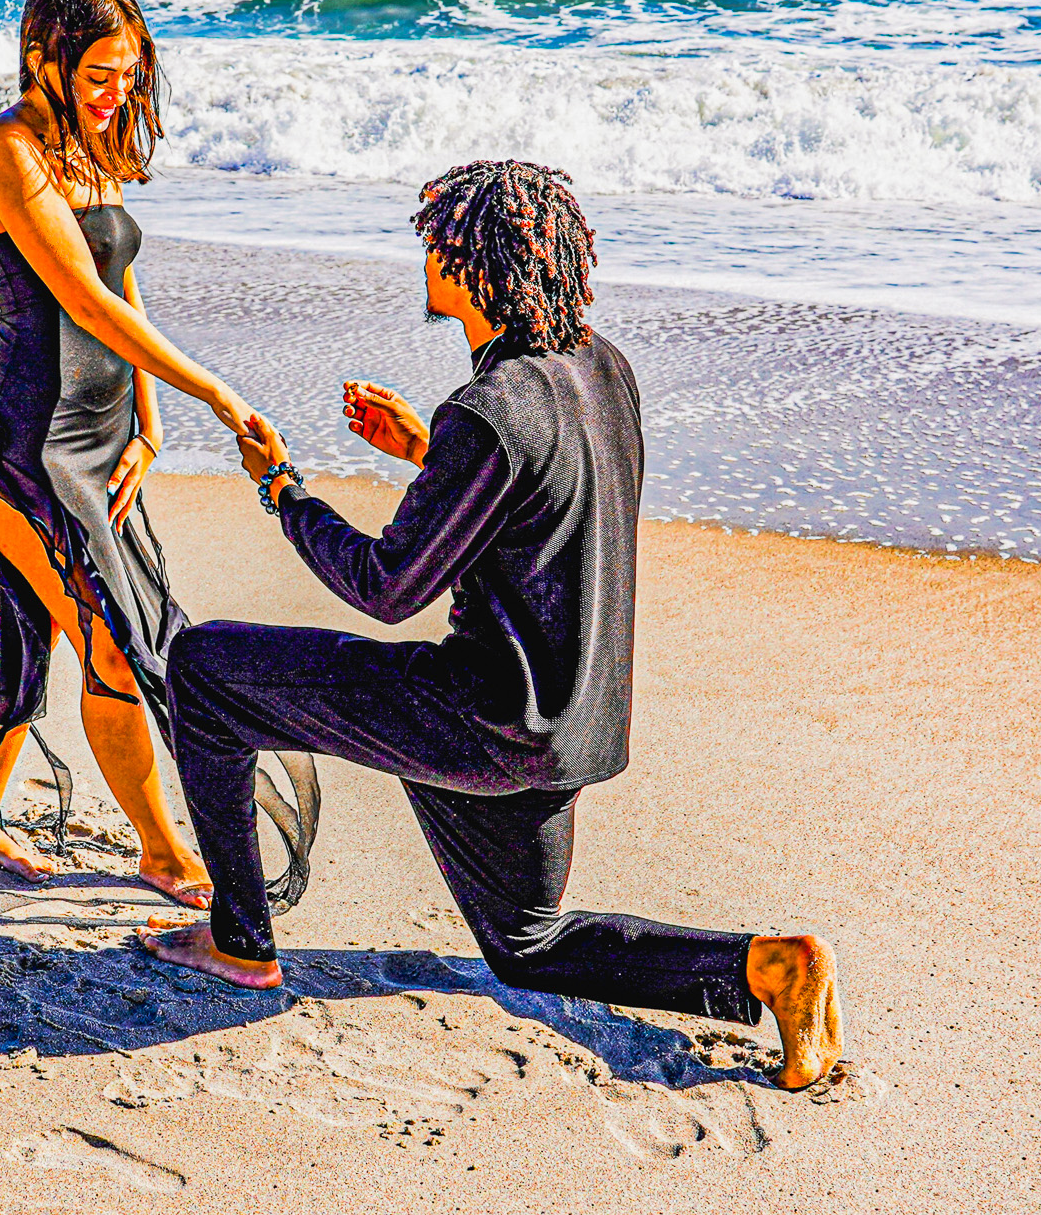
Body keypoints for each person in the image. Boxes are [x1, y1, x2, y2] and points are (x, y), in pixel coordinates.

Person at [139, 160, 845, 1089]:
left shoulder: (489, 411)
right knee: (527, 945)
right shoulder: (604, 368)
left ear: (479, 265)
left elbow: (388, 587)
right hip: (574, 728)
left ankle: (239, 941)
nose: (426, 250)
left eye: (440, 238)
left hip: (481, 719)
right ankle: (769, 967)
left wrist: (284, 490)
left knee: (202, 667)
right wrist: (424, 453)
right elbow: (545, 515)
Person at [0, 0, 253, 909]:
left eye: (129, 74)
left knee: (32, 624)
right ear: (41, 56)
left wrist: (150, 424)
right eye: (98, 74)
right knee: (110, 640)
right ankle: (160, 849)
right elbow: (80, 299)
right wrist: (214, 391)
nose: (117, 92)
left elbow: (124, 285)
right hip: (19, 447)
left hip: (101, 440)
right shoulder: (9, 150)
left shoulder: (90, 144)